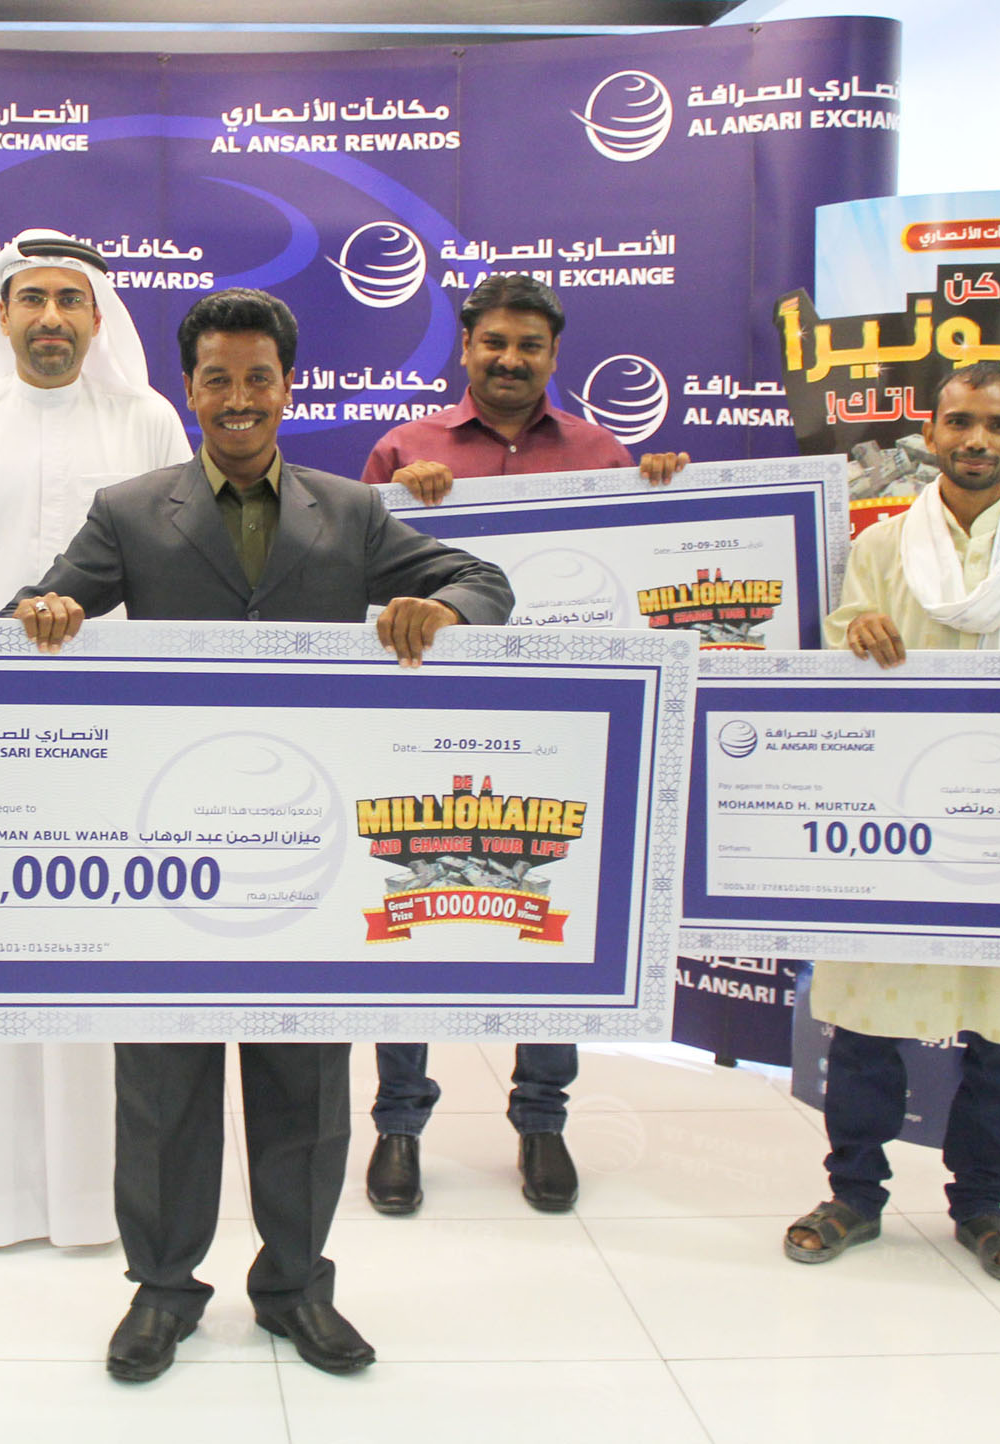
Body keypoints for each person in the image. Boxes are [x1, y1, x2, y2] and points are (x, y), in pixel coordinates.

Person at [7, 289, 514, 1381]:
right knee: (161, 1089)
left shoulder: (353, 511)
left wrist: (441, 612)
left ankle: (294, 1287)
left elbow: (484, 581)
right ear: (188, 390)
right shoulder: (129, 511)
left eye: (257, 379)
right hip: (169, 856)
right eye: (216, 380)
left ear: (288, 387)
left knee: (306, 1086)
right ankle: (162, 1290)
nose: (237, 399)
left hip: (306, 860)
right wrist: (43, 612)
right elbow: (39, 607)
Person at [0, 229, 190, 1248]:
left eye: (69, 300)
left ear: (98, 317)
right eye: (31, 299)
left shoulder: (148, 421)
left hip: (112, 750)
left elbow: (182, 579)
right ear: (2, 314)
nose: (50, 318)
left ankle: (101, 1200)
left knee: (98, 975)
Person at [784, 361, 1000, 1283]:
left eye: (998, 425)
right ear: (930, 435)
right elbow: (840, 653)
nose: (978, 440)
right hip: (899, 824)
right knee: (867, 1026)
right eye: (961, 422)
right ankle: (854, 1195)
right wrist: (855, 633)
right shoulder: (883, 545)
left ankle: (983, 1206)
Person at [355, 272, 687, 1218]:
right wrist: (403, 505)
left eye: (529, 346)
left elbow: (641, 576)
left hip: (560, 733)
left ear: (553, 355)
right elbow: (354, 577)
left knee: (552, 915)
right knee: (412, 915)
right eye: (494, 343)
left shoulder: (600, 452)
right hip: (428, 727)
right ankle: (398, 1125)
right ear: (466, 347)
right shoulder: (404, 451)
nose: (509, 360)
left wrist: (665, 496)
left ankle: (542, 1119)